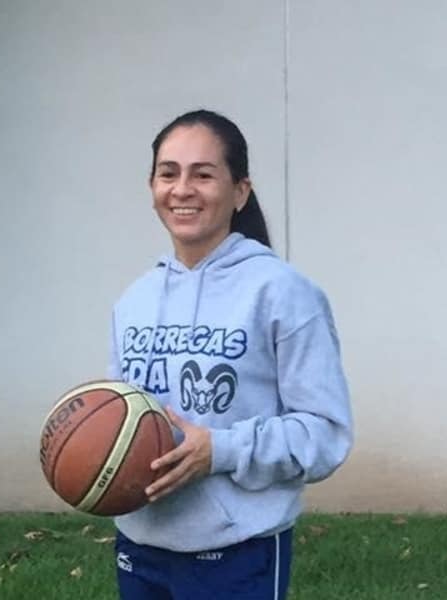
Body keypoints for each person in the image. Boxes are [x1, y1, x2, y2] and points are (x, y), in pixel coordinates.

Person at [106, 108, 353, 599]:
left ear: (240, 191)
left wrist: (219, 450)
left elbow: (326, 433)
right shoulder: (133, 301)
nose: (182, 189)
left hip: (237, 553)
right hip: (140, 547)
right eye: (168, 173)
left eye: (203, 174)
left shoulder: (283, 293)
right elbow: (120, 421)